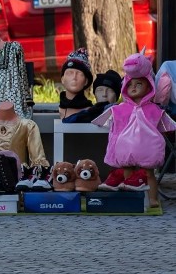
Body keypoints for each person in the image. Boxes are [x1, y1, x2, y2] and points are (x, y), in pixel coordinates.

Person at [94, 51, 176, 207]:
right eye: (130, 84)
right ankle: (129, 198)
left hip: (147, 148)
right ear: (124, 86)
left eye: (139, 84)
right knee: (128, 173)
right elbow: (112, 124)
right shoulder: (120, 108)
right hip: (127, 147)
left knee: (149, 174)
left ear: (149, 86)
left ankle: (153, 199)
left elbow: (165, 122)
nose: (133, 88)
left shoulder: (153, 109)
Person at [58, 48, 94, 120]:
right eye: (70, 73)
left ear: (86, 81)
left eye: (79, 74)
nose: (74, 77)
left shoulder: (90, 111)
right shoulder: (59, 109)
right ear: (62, 79)